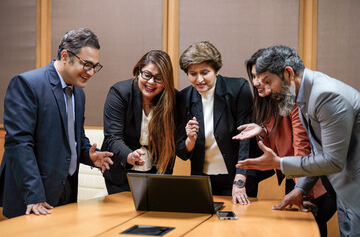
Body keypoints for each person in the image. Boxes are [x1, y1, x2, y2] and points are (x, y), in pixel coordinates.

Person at [236, 45, 360, 236]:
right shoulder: (304, 95)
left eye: (268, 82)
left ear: (288, 73)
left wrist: (279, 163)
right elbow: (318, 152)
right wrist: (301, 188)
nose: (267, 90)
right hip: (345, 187)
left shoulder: (326, 96)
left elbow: (332, 160)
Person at [0, 28, 114, 218]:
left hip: (67, 192)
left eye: (95, 66)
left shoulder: (79, 93)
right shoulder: (27, 84)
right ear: (64, 55)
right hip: (33, 196)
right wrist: (34, 195)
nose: (91, 72)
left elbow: (74, 135)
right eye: (86, 64)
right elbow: (19, 145)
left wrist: (88, 155)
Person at [176, 41, 260, 205]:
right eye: (193, 74)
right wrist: (190, 140)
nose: (199, 79)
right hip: (203, 178)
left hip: (236, 176)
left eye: (204, 72)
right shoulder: (184, 97)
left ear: (217, 70)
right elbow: (181, 151)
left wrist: (240, 179)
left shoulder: (238, 88)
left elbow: (246, 137)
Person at [101, 50, 176, 194]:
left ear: (166, 80)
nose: (151, 82)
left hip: (157, 172)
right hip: (121, 171)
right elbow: (113, 137)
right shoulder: (120, 93)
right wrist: (129, 156)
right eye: (147, 75)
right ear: (138, 71)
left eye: (159, 78)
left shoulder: (173, 99)